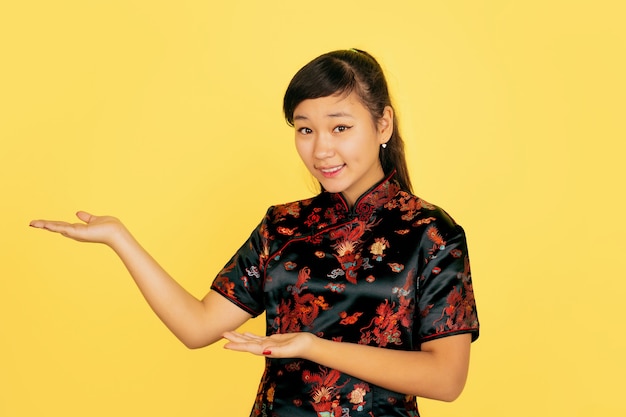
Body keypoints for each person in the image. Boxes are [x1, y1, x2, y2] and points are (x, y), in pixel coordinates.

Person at [30, 49, 479, 417]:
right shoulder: (282, 225)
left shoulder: (430, 232)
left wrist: (312, 346)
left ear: (383, 124)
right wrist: (120, 239)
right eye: (305, 130)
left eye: (340, 127)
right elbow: (198, 327)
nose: (321, 149)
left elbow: (446, 379)